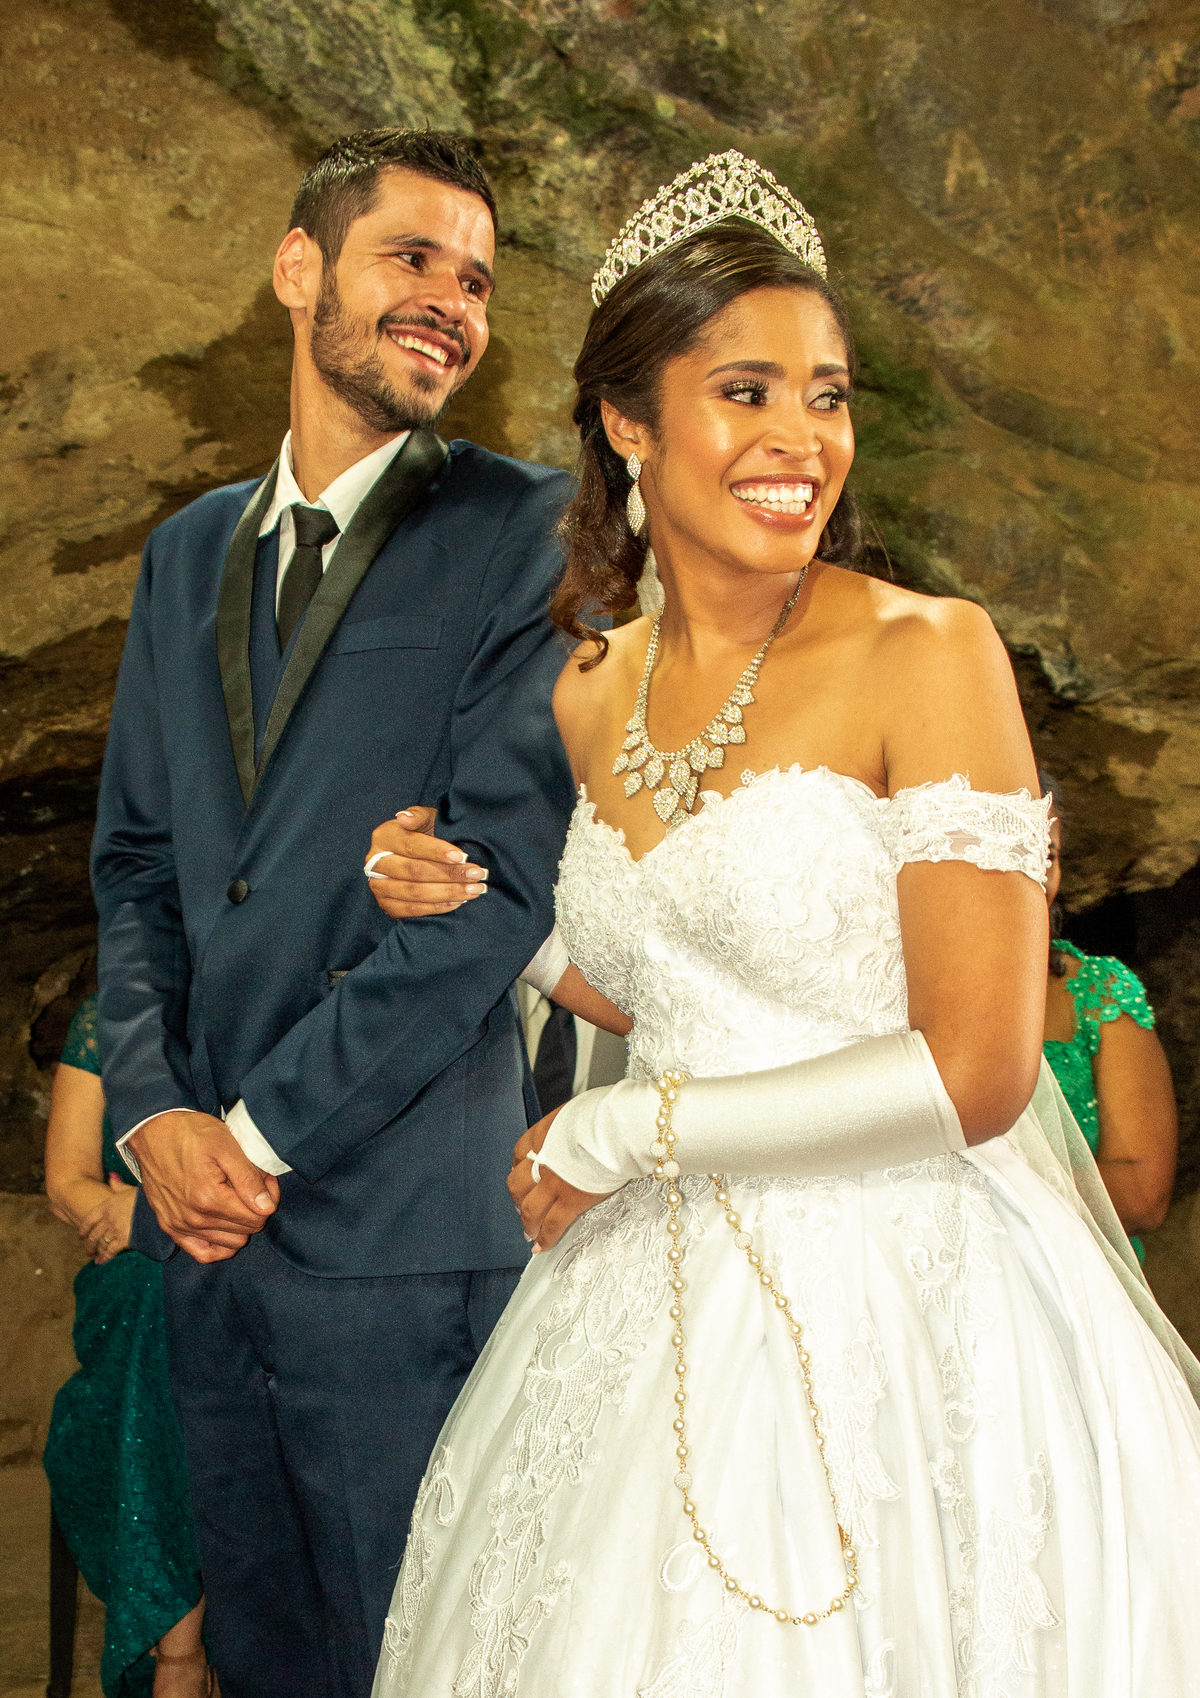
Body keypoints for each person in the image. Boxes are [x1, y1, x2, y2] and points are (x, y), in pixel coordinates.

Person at [368, 153, 1200, 1696]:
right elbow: (683, 981)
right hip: (644, 1291)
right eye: (744, 391)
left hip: (906, 1287)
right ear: (628, 421)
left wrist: (620, 1133)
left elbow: (977, 1070)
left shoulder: (928, 651)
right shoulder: (591, 685)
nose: (799, 439)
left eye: (827, 395)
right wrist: (488, 911)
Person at [90, 129, 578, 1698]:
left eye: (477, 280)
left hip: (403, 1238)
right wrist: (155, 1114)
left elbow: (495, 890)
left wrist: (253, 1136)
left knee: (418, 1656)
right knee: (264, 1661)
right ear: (299, 269)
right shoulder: (182, 554)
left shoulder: (530, 528)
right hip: (198, 1237)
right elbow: (138, 865)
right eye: (412, 257)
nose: (450, 300)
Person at [43, 992, 211, 1698]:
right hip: (134, 1280)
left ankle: (177, 1648)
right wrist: (123, 1221)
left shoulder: (275, 991)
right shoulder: (104, 1019)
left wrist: (151, 1213)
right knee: (150, 1299)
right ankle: (183, 1649)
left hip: (247, 1255)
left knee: (176, 1302)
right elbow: (65, 1182)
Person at [1040, 775, 1178, 1263]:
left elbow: (1143, 1195)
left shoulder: (1098, 992)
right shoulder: (882, 988)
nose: (1036, 871)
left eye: (1049, 854)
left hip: (1080, 1275)